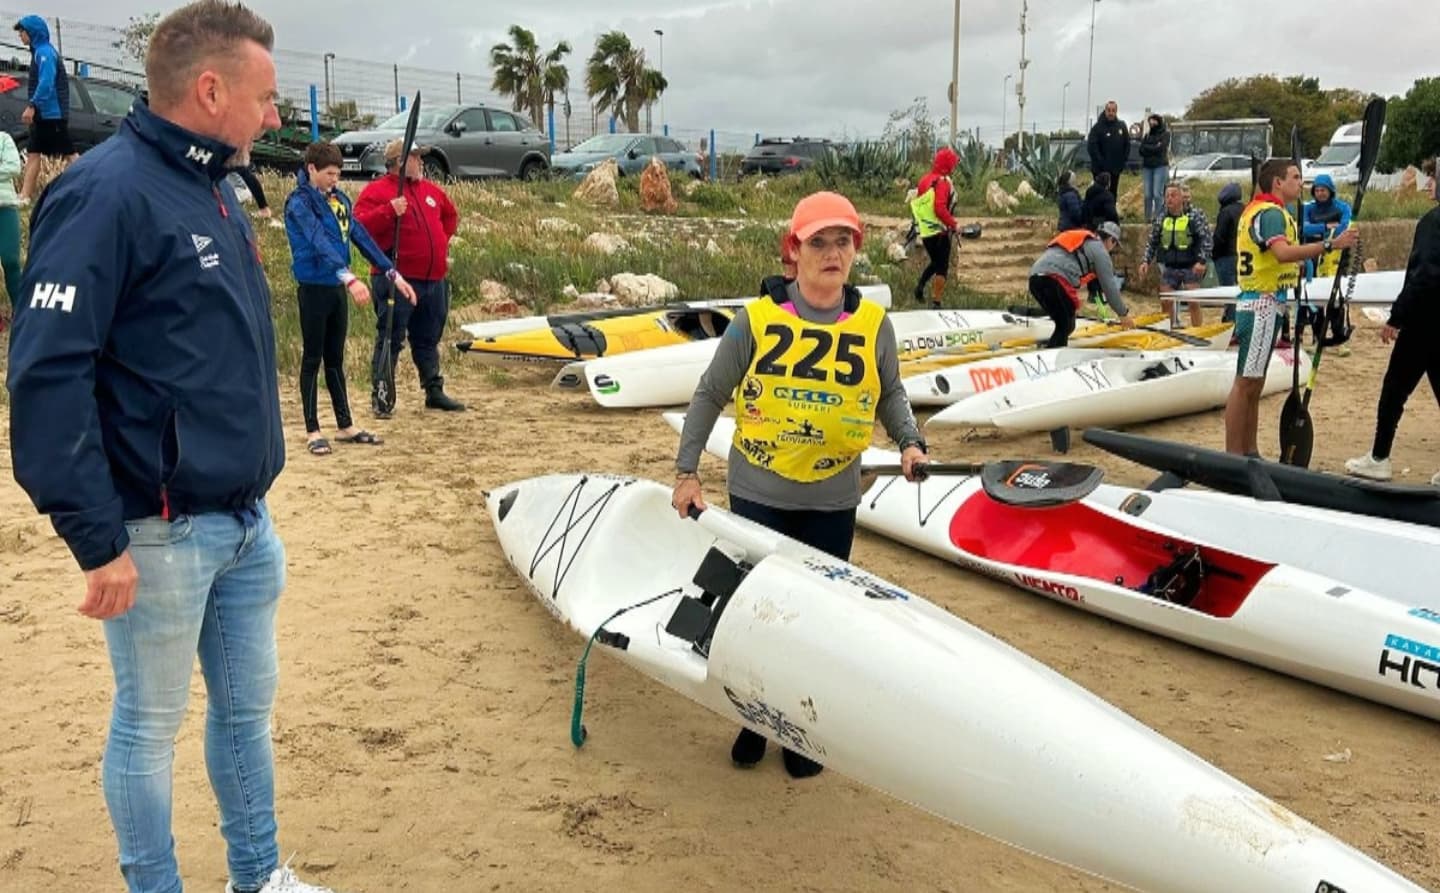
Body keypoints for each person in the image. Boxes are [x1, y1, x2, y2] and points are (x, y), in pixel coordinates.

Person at [5, 4, 344, 892]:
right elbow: (46, 374)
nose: (275, 117)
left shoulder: (215, 187)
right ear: (210, 89)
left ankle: (259, 874)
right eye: (266, 98)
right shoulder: (105, 191)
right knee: (147, 727)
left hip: (243, 523)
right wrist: (96, 535)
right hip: (155, 532)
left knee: (244, 716)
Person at [672, 191, 929, 779]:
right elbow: (710, 394)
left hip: (832, 499)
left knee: (815, 619)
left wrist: (910, 441)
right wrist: (687, 473)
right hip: (760, 494)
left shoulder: (872, 323)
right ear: (794, 251)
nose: (833, 252)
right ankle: (752, 718)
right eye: (819, 241)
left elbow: (889, 392)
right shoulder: (756, 321)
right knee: (756, 613)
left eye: (843, 241)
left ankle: (799, 731)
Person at [285, 141, 417, 456]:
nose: (335, 179)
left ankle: (345, 424)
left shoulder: (340, 200)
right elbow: (317, 241)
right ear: (312, 169)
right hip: (314, 287)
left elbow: (360, 237)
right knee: (312, 358)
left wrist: (392, 274)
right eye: (329, 173)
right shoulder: (299, 203)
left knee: (335, 359)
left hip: (335, 290)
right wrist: (349, 276)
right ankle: (312, 429)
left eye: (338, 173)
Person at [1223, 158, 1357, 457]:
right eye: (1296, 177)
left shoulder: (1267, 211)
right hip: (1260, 304)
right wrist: (1330, 244)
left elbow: (1275, 258)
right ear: (1278, 183)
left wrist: (1296, 266)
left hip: (1267, 303)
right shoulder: (1270, 213)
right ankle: (1234, 455)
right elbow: (1282, 252)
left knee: (1255, 385)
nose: (1302, 182)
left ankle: (1250, 451)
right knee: (1246, 384)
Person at [1344, 158, 1440, 484]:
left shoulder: (1433, 222)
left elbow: (1425, 276)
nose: (1427, 185)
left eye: (1433, 179)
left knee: (1394, 391)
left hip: (1425, 322)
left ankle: (1379, 458)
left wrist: (1396, 317)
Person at [354, 138, 464, 415]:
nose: (422, 162)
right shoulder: (377, 192)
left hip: (432, 278)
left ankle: (433, 389)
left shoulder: (431, 191)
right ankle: (382, 394)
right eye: (417, 156)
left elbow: (450, 216)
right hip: (396, 277)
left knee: (428, 337)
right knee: (390, 337)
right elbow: (358, 227)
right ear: (401, 162)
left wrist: (439, 244)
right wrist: (389, 211)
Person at [1027, 221, 1135, 347]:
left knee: (1065, 321)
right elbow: (1110, 288)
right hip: (1053, 279)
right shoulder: (1100, 251)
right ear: (1111, 240)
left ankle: (1050, 346)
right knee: (1066, 324)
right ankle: (1052, 356)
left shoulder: (1087, 242)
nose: (1113, 248)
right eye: (1115, 244)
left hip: (1035, 278)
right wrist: (1123, 314)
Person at [12, 14, 77, 204]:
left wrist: (32, 105)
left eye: (22, 32)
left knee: (69, 154)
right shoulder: (40, 52)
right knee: (33, 153)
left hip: (52, 115)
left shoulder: (45, 53)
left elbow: (47, 83)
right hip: (45, 115)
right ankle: (24, 196)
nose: (20, 36)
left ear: (32, 33)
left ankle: (95, 185)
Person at [1139, 183, 1212, 328]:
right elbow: (1152, 241)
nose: (1169, 199)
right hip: (1170, 267)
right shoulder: (1161, 218)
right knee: (1166, 302)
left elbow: (1206, 239)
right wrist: (1145, 261)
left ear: (1181, 198)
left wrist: (1202, 261)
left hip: (1191, 266)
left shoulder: (1194, 216)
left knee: (1193, 302)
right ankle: (1169, 331)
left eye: (1173, 195)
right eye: (1167, 196)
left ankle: (1198, 331)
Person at [1298, 172, 1355, 346]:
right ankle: (1317, 335)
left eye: (1324, 190)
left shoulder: (1342, 207)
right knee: (1314, 295)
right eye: (1317, 190)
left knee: (1337, 294)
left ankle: (1338, 333)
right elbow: (1303, 229)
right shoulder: (1308, 208)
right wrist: (1326, 227)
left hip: (1337, 257)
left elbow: (1345, 226)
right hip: (1313, 255)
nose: (1320, 193)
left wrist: (1327, 235)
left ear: (1331, 191)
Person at [909, 146, 959, 306]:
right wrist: (953, 224)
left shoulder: (924, 180)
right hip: (940, 232)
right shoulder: (943, 183)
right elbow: (939, 208)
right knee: (942, 267)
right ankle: (936, 302)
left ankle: (919, 288)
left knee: (936, 262)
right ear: (947, 165)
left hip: (925, 231)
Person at [1212, 181, 1244, 324]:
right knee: (1240, 291)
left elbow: (1219, 237)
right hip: (1241, 254)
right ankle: (1238, 322)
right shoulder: (1245, 209)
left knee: (1228, 293)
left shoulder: (1225, 212)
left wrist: (1213, 254)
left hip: (1225, 257)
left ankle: (1231, 323)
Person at [0, 129, 21, 330]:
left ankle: (21, 310)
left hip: (5, 206)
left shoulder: (4, 139)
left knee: (10, 259)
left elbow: (14, 167)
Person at [1086, 101, 1130, 198]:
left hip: (1115, 169)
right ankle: (1099, 213)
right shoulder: (1097, 128)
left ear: (1116, 111)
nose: (1111, 113)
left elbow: (1127, 144)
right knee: (1100, 194)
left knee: (1112, 194)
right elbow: (1092, 147)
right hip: (1100, 170)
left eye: (1113, 110)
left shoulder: (1121, 126)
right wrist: (1101, 163)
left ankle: (1111, 212)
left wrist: (1123, 161)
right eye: (1109, 110)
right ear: (1105, 111)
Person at [1138, 114, 1170, 222]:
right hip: (1147, 167)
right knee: (1147, 195)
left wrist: (1149, 148)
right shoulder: (1147, 135)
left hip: (1160, 166)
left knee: (1157, 193)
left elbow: (1161, 148)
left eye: (1154, 121)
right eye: (1150, 122)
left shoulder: (1165, 134)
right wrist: (1154, 147)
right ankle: (1147, 218)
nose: (1152, 124)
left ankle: (1158, 218)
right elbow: (1141, 150)